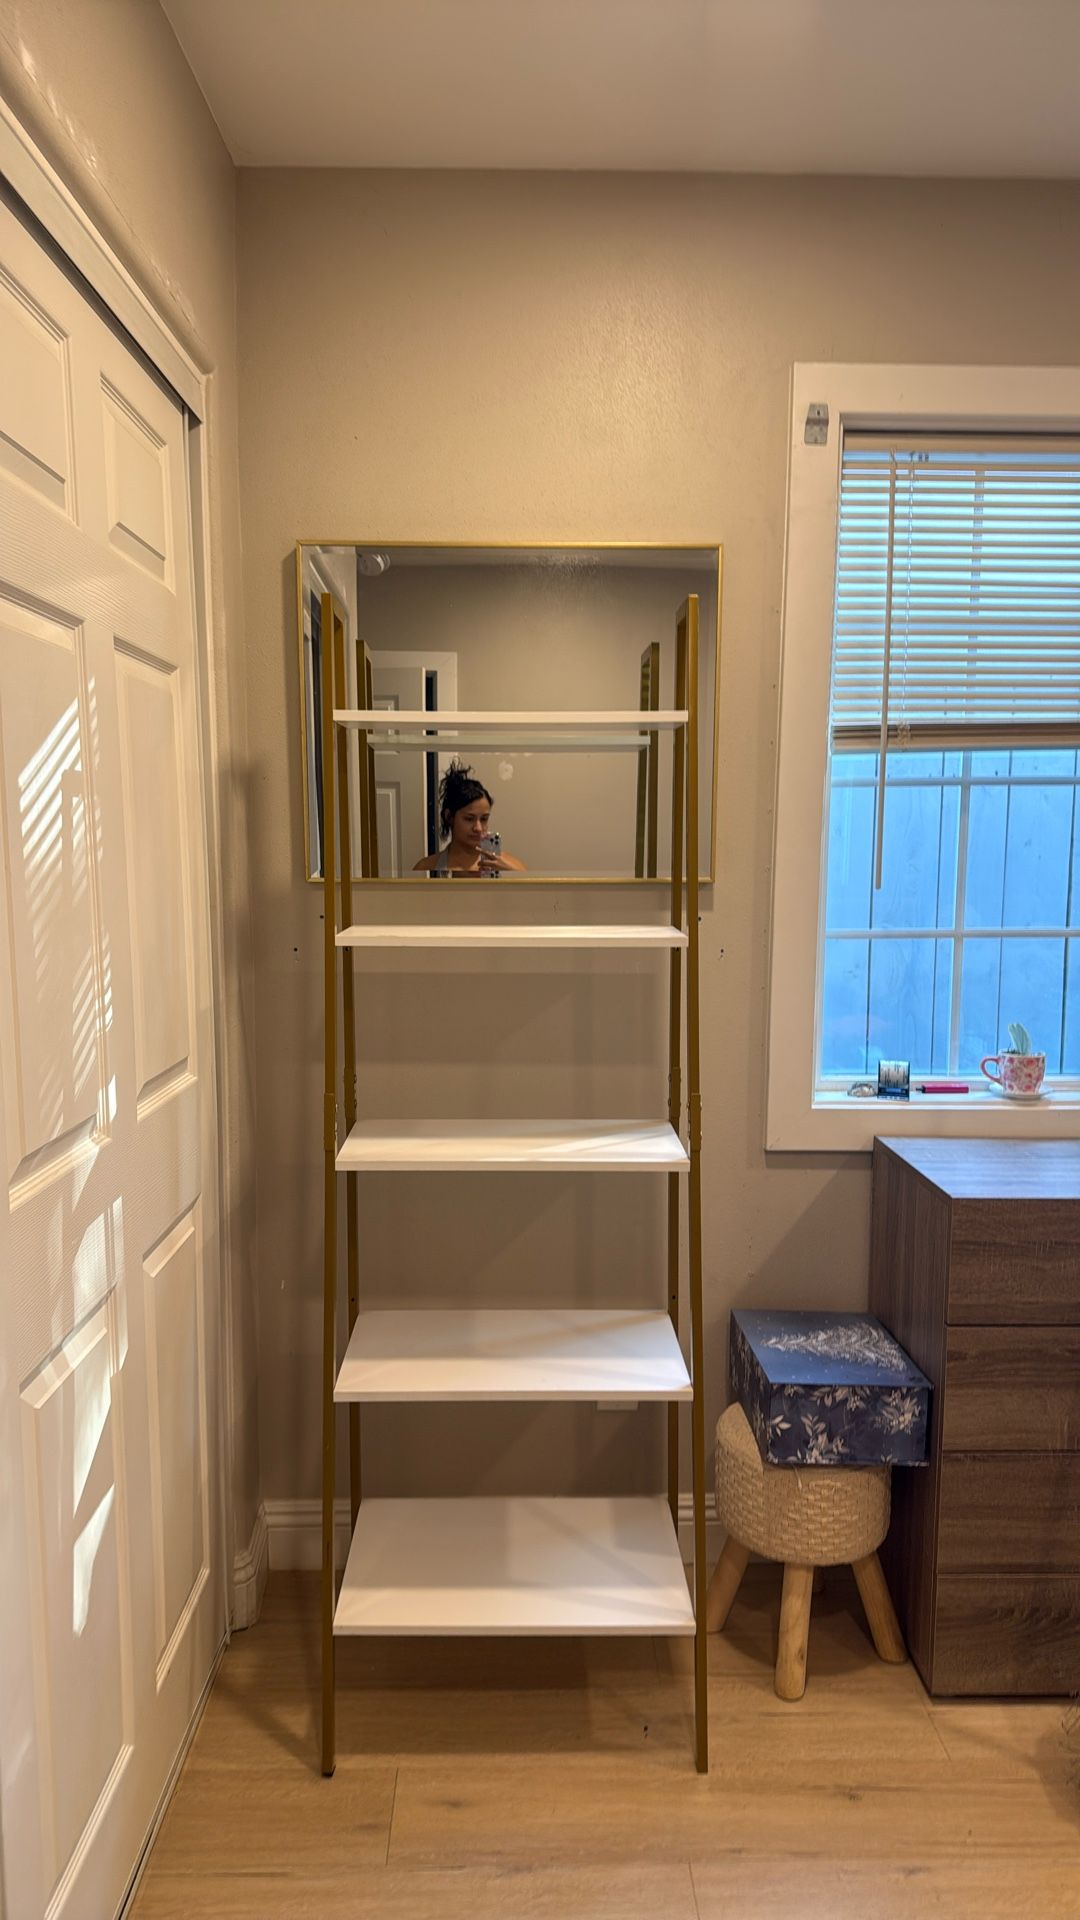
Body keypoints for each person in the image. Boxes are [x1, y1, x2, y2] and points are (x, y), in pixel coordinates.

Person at [414, 760, 526, 875]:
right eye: (469, 819)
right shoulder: (427, 868)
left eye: (484, 819)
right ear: (449, 817)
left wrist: (512, 875)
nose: (478, 828)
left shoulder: (509, 866)